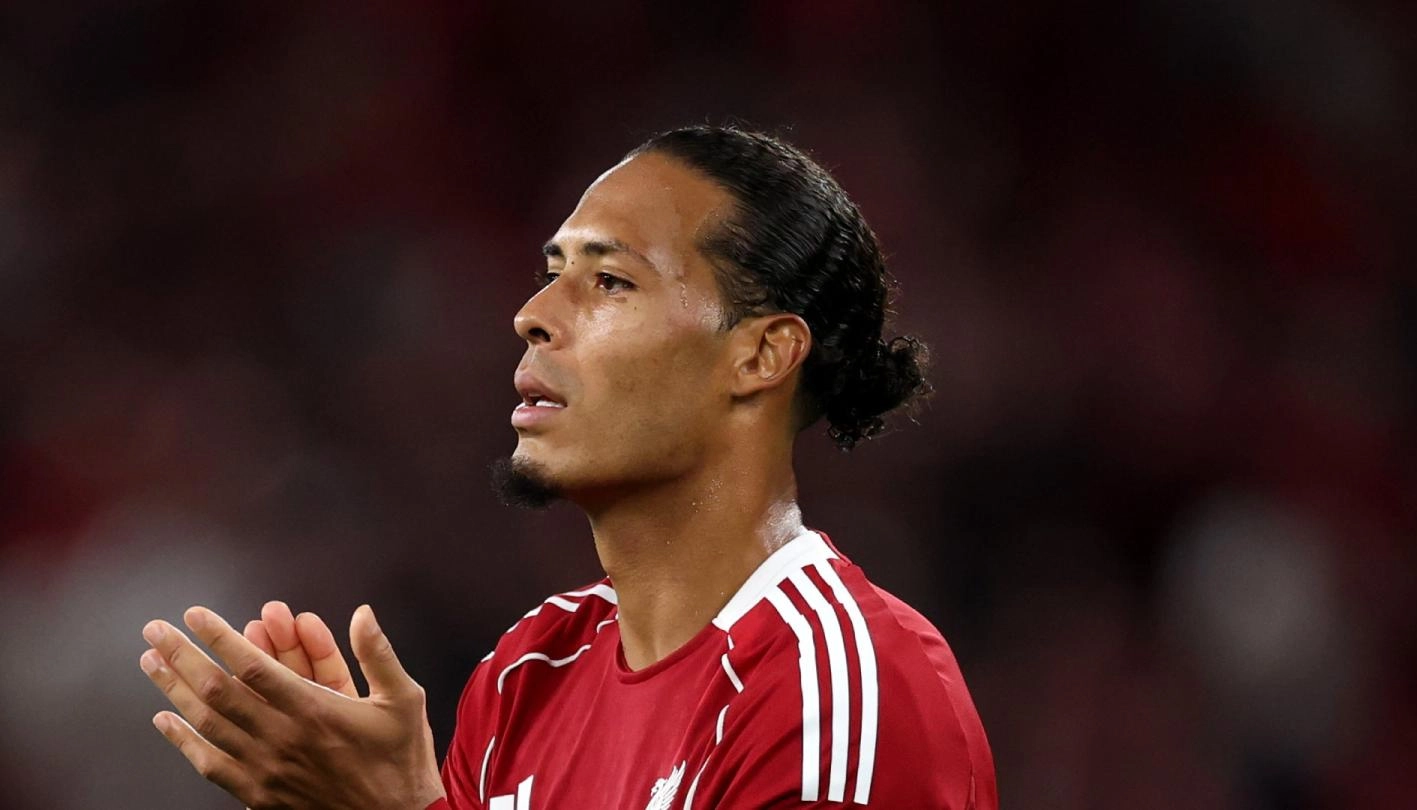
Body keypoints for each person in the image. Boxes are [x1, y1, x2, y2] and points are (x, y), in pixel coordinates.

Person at [139, 125, 999, 809]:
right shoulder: (530, 673)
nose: (532, 314)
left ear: (760, 354)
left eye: (611, 281)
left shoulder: (838, 691)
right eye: (551, 273)